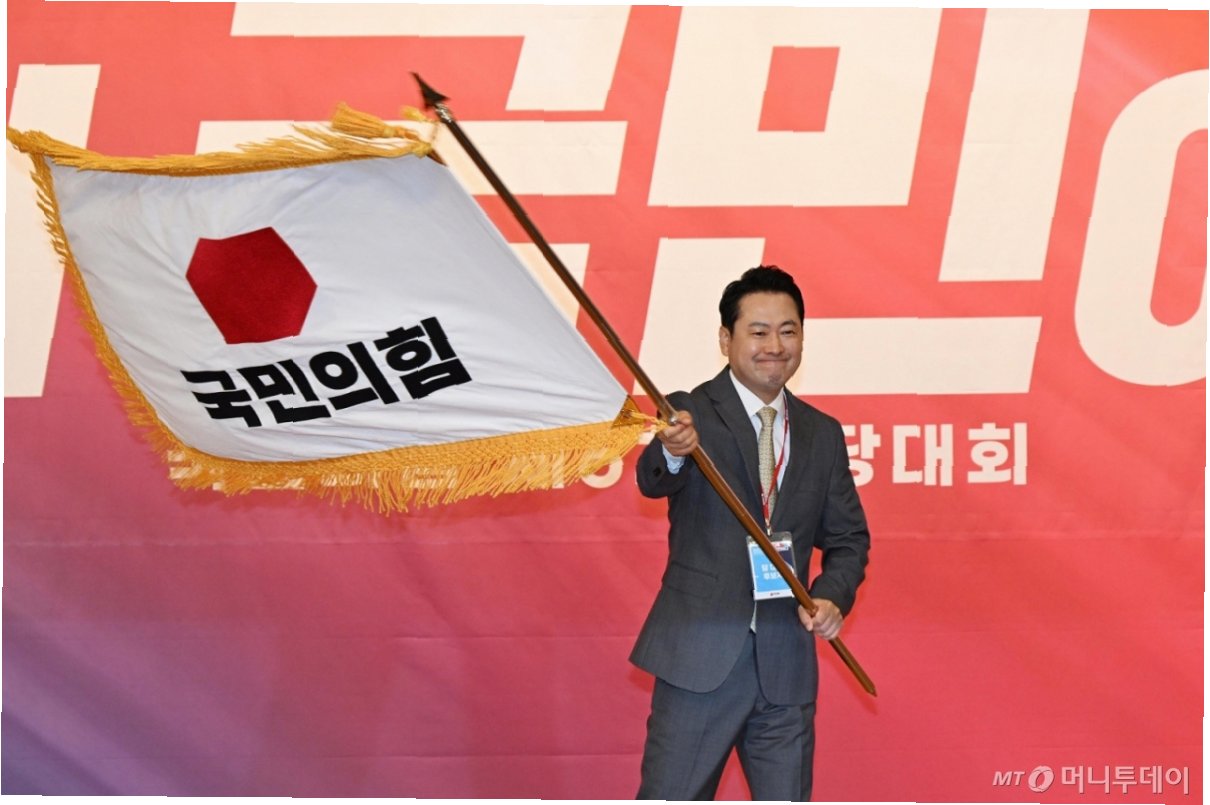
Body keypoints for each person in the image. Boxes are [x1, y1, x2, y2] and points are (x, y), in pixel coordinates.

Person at [631, 265, 870, 801]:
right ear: (726, 339)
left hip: (785, 667)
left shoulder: (822, 433)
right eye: (758, 332)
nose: (775, 346)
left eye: (788, 331)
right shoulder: (689, 413)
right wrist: (674, 450)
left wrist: (832, 597)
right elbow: (652, 479)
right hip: (700, 660)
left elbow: (849, 539)